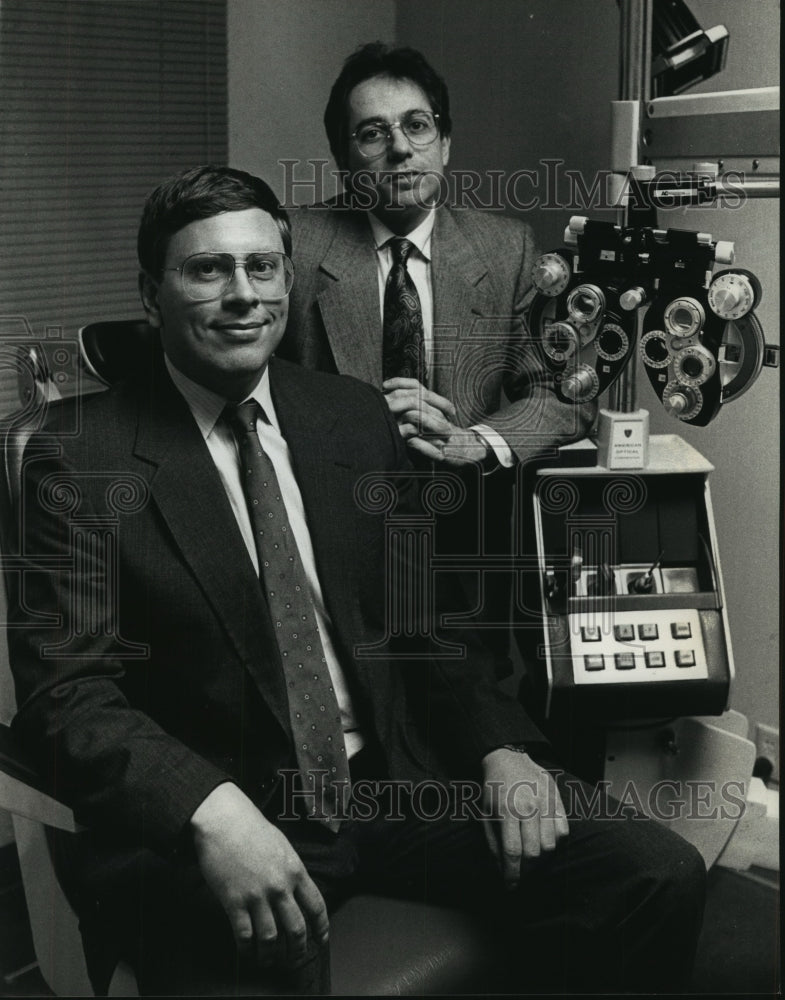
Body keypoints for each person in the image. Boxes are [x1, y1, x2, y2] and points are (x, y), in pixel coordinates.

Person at [9, 165, 705, 997]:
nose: (243, 294)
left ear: (286, 278)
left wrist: (501, 748)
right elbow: (68, 692)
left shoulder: (349, 414)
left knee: (652, 873)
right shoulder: (79, 456)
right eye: (207, 270)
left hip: (392, 785)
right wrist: (211, 811)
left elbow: (427, 616)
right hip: (228, 817)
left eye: (261, 266)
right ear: (151, 294)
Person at [279, 42, 594, 676]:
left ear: (444, 144)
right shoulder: (294, 246)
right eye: (373, 133)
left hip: (460, 545)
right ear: (344, 158)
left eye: (417, 126)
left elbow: (563, 394)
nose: (400, 148)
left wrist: (478, 442)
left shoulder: (505, 249)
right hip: (326, 545)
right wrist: (355, 424)